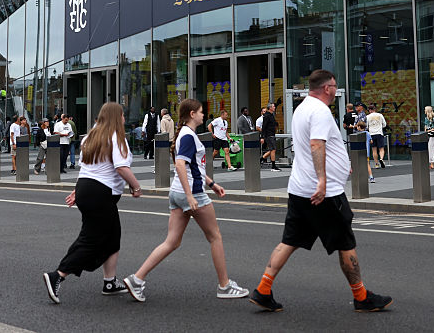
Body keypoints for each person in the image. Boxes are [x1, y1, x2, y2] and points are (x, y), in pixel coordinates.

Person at [249, 70, 391, 313]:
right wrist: (323, 180)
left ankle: (263, 289)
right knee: (345, 242)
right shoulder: (321, 111)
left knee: (290, 240)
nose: (336, 90)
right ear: (327, 88)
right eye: (335, 86)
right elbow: (316, 144)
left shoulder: (302, 108)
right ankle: (361, 296)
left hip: (300, 188)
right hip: (324, 193)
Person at [123, 99, 248, 302]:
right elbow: (181, 165)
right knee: (215, 237)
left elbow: (193, 167)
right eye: (200, 112)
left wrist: (212, 183)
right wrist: (191, 195)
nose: (202, 115)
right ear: (191, 114)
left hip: (177, 192)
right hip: (192, 193)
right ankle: (224, 286)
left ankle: (137, 279)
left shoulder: (185, 134)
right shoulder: (189, 135)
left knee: (171, 242)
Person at [42, 102, 143, 303]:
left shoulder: (90, 137)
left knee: (113, 236)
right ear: (116, 117)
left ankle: (110, 282)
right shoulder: (116, 137)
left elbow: (88, 169)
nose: (124, 119)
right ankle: (58, 275)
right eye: (122, 115)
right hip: (100, 193)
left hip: (87, 188)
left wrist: (77, 191)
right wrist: (136, 187)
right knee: (91, 239)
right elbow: (122, 168)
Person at [366, 105, 387, 169]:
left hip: (372, 134)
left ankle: (376, 164)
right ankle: (381, 159)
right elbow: (384, 124)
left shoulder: (367, 117)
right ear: (375, 109)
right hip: (379, 133)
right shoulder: (380, 115)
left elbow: (366, 126)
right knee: (381, 149)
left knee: (374, 150)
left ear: (369, 110)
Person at [260, 104, 279, 170]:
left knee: (272, 149)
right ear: (270, 108)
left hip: (272, 134)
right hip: (269, 135)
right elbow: (264, 126)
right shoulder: (267, 116)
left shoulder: (271, 115)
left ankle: (262, 158)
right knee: (273, 149)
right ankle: (273, 166)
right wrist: (262, 137)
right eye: (273, 106)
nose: (274, 107)